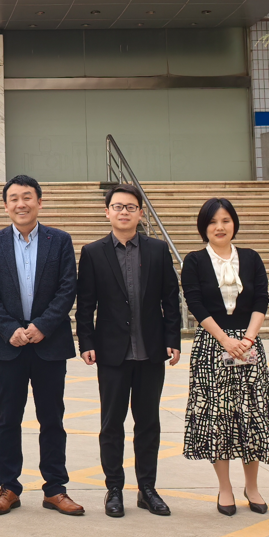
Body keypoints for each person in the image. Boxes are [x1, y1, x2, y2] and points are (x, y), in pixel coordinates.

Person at [0, 174, 84, 517]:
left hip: (49, 344)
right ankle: (8, 487)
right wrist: (10, 329)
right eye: (14, 198)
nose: (21, 204)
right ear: (5, 205)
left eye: (27, 197)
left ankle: (55, 489)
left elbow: (68, 288)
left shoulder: (59, 240)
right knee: (8, 418)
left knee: (52, 418)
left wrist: (42, 326)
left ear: (39, 201)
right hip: (8, 345)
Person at [76, 183, 182, 519]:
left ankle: (147, 489)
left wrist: (173, 338)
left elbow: (170, 299)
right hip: (111, 354)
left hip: (151, 351)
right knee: (112, 424)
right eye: (118, 207)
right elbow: (85, 304)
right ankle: (114, 489)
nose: (124, 212)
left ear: (140, 213)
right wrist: (86, 342)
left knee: (148, 423)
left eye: (131, 207)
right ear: (107, 212)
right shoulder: (93, 252)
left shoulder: (157, 250)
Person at [181, 197, 269, 516]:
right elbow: (195, 304)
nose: (219, 227)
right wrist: (225, 339)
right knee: (218, 418)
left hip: (248, 345)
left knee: (251, 413)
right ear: (203, 227)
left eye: (225, 220)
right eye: (212, 222)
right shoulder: (194, 261)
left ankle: (252, 486)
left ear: (234, 223)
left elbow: (261, 299)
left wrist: (247, 339)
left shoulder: (251, 258)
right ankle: (225, 487)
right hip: (212, 345)